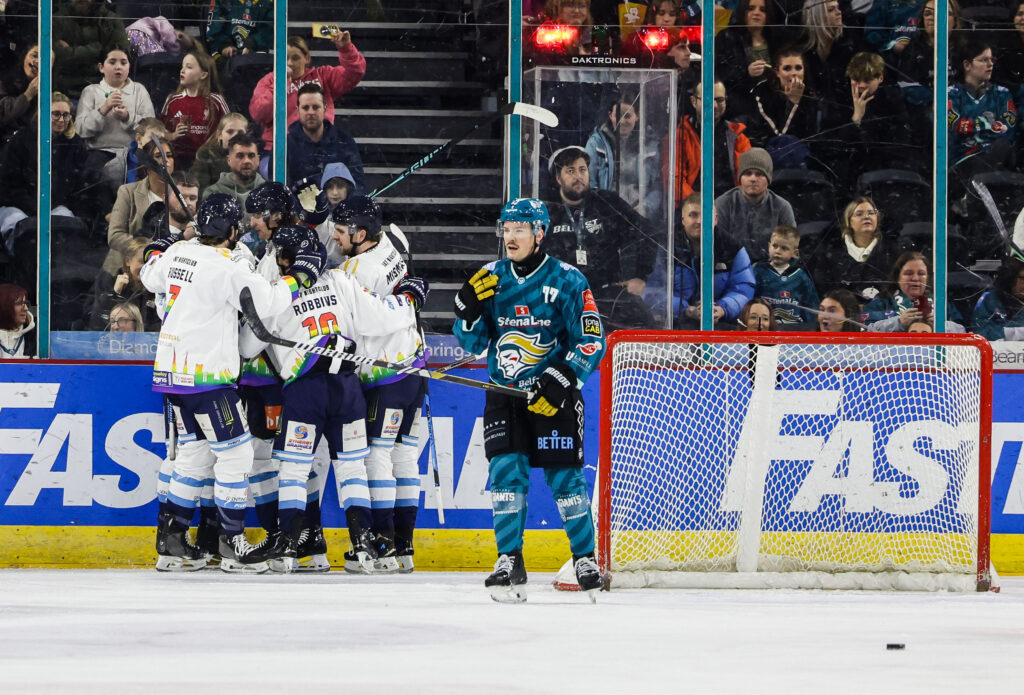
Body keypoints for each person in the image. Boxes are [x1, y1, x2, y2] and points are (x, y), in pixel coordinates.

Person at [140, 193, 326, 573]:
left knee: (194, 455)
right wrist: (301, 275)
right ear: (231, 230)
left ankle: (171, 542)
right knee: (237, 454)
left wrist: (156, 249)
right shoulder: (229, 269)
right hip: (208, 378)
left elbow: (149, 275)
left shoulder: (180, 253)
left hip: (172, 375)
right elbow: (271, 302)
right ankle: (231, 542)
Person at [238, 225, 427, 574]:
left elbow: (247, 346)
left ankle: (289, 548)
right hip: (347, 389)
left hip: (304, 392)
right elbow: (378, 318)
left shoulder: (278, 293)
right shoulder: (341, 280)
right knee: (351, 467)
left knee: (294, 469)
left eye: (280, 255)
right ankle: (364, 545)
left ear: (287, 259)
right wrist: (410, 298)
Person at [452, 198, 605, 603]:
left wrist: (563, 378)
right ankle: (509, 558)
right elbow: (472, 342)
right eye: (506, 229)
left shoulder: (569, 280)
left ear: (540, 233)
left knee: (564, 478)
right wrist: (466, 309)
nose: (510, 237)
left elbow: (591, 340)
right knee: (506, 475)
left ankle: (584, 557)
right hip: (505, 394)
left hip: (551, 395)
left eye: (519, 229)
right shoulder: (490, 278)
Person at [332, 197, 426, 573]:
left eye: (340, 231)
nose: (335, 238)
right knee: (403, 456)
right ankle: (403, 548)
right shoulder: (395, 241)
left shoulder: (354, 274)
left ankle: (384, 545)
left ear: (360, 234)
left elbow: (367, 324)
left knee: (378, 456)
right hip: (415, 371)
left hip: (384, 377)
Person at [542, 145, 657, 329]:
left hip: (606, 295)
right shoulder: (547, 210)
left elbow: (646, 231)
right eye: (570, 171)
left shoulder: (606, 202)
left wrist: (640, 276)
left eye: (582, 170)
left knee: (644, 321)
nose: (578, 176)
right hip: (560, 296)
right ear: (558, 178)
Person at [0, 91, 103, 236]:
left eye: (66, 114)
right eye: (56, 114)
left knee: (65, 225)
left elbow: (80, 185)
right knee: (21, 228)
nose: (61, 119)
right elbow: (8, 183)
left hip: (55, 207)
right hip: (18, 206)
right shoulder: (21, 140)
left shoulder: (75, 144)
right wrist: (33, 208)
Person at [645, 192, 755, 327]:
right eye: (693, 215)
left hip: (721, 326)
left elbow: (744, 289)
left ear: (715, 219)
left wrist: (722, 309)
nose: (699, 221)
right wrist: (685, 310)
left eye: (705, 215)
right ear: (683, 220)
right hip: (673, 325)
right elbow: (652, 290)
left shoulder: (733, 248)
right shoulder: (665, 247)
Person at [249, 33, 365, 156]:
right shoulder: (270, 81)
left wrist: (346, 49)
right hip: (279, 150)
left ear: (307, 58)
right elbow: (259, 113)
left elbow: (354, 74)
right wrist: (280, 84)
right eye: (285, 58)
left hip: (319, 146)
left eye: (295, 58)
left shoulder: (323, 75)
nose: (289, 63)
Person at [822, 52, 914, 189]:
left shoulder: (892, 100)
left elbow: (900, 141)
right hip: (849, 171)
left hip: (882, 168)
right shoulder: (839, 97)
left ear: (880, 78)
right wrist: (856, 118)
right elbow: (833, 144)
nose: (861, 85)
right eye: (856, 80)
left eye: (867, 80)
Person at [74, 46, 155, 187]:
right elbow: (80, 130)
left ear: (129, 67)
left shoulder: (139, 90)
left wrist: (127, 118)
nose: (118, 67)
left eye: (123, 63)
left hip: (134, 152)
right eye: (112, 62)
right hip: (99, 153)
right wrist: (103, 109)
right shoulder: (91, 91)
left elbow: (151, 129)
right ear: (101, 67)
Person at [665, 80, 752, 208]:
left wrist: (738, 206)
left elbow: (748, 177)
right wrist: (699, 206)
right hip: (692, 208)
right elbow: (674, 180)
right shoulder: (679, 135)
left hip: (731, 208)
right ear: (693, 101)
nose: (714, 105)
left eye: (720, 99)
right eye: (707, 99)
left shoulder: (738, 137)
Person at [102, 139, 175, 277]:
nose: (166, 161)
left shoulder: (182, 194)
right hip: (128, 269)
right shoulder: (128, 192)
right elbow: (115, 235)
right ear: (147, 164)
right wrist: (149, 249)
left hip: (168, 269)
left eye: (169, 155)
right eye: (159, 156)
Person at [806, 196, 898, 302]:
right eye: (859, 214)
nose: (866, 217)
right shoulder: (831, 252)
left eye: (871, 213)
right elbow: (823, 288)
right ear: (849, 221)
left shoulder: (891, 251)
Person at [948, 36, 1017, 177]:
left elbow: (1007, 129)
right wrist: (988, 124)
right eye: (984, 60)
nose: (990, 64)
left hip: (995, 157)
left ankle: (972, 195)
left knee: (1002, 145)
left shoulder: (1002, 94)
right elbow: (955, 126)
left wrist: (971, 126)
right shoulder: (950, 94)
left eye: (992, 60)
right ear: (967, 65)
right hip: (962, 160)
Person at [713, 147, 796, 263]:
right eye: (747, 173)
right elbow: (716, 247)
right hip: (731, 270)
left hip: (770, 271)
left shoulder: (782, 207)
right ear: (740, 177)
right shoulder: (722, 204)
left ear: (768, 178)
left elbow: (790, 250)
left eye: (759, 174)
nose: (753, 179)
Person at [583, 96, 662, 216]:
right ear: (610, 115)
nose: (622, 121)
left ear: (638, 116)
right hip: (607, 213)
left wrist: (645, 207)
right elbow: (589, 181)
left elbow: (657, 184)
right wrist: (603, 209)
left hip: (640, 215)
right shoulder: (596, 143)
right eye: (618, 116)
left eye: (627, 116)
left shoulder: (650, 144)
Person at [745, 47, 821, 168]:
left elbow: (810, 137)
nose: (794, 73)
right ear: (777, 72)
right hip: (770, 157)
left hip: (802, 160)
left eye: (798, 68)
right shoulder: (762, 92)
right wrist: (793, 103)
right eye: (787, 68)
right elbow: (780, 138)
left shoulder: (810, 96)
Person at [286, 83, 365, 191]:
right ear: (297, 110)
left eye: (316, 107)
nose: (311, 112)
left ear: (325, 108)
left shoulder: (344, 140)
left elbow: (358, 184)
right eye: (305, 108)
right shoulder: (286, 144)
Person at [160, 50, 230, 170]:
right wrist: (173, 135)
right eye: (182, 66)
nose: (182, 70)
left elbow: (229, 128)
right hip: (178, 160)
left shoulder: (217, 101)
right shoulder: (172, 100)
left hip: (209, 160)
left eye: (189, 67)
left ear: (203, 75)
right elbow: (160, 132)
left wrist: (211, 144)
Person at [863, 251, 965, 332]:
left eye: (921, 273)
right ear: (897, 277)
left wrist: (940, 325)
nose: (915, 278)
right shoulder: (881, 303)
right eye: (908, 273)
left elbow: (962, 330)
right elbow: (864, 329)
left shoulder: (942, 304)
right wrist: (898, 323)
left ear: (928, 278)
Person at [714, 0, 778, 119]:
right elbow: (720, 74)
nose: (756, 13)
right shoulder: (727, 37)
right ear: (743, 11)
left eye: (762, 10)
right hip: (738, 109)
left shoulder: (776, 41)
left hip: (771, 107)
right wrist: (746, 73)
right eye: (751, 8)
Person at [53, 0, 129, 98]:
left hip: (103, 91)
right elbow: (55, 55)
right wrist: (97, 49)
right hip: (63, 92)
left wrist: (70, 51)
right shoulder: (56, 19)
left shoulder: (111, 20)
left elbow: (121, 57)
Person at [88, 235, 160, 331]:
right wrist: (114, 294)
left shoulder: (159, 288)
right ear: (128, 261)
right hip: (115, 343)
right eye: (142, 261)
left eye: (151, 262)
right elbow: (96, 325)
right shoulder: (110, 282)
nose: (146, 266)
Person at [752, 225, 819, 327]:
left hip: (794, 332)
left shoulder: (801, 277)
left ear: (794, 252)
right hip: (764, 329)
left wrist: (810, 329)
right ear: (769, 246)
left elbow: (812, 308)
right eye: (775, 246)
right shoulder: (758, 272)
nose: (778, 251)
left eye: (784, 248)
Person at [798, 0, 862, 107]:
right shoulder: (801, 51)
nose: (839, 12)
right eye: (831, 10)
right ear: (817, 16)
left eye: (838, 7)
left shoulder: (850, 44)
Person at [200, 132, 265, 208]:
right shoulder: (213, 193)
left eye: (251, 156)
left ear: (258, 159)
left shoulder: (269, 192)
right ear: (229, 160)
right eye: (240, 156)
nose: (246, 161)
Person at [190, 112, 248, 191]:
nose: (235, 136)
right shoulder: (206, 154)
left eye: (240, 132)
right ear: (219, 135)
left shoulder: (250, 154)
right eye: (230, 132)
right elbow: (201, 189)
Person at [971, 257, 1024, 341]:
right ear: (1011, 279)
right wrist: (1012, 333)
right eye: (1023, 279)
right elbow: (979, 332)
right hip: (1000, 352)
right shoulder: (991, 300)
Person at [205, 0, 273, 59]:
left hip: (257, 56)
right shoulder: (221, 1)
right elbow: (213, 29)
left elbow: (270, 29)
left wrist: (253, 42)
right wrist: (224, 45)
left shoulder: (270, 3)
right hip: (224, 57)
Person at [0, 43, 38, 146]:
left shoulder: (52, 92)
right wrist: (28, 95)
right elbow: (3, 115)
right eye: (34, 55)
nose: (38, 61)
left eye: (46, 60)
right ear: (24, 57)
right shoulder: (5, 82)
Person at [0, 283, 33, 358]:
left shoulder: (33, 338)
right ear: (4, 307)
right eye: (19, 303)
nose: (26, 308)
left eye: (25, 303)